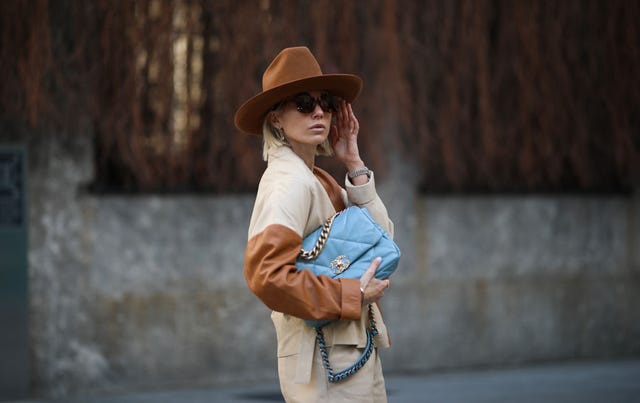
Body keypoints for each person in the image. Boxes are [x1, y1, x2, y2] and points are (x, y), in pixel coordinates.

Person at [235, 46, 394, 402]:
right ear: (275, 119)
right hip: (326, 364)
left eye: (327, 103)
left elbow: (380, 243)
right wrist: (350, 294)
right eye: (304, 104)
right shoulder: (288, 182)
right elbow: (266, 275)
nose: (319, 112)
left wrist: (353, 163)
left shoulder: (314, 177)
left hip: (345, 356)